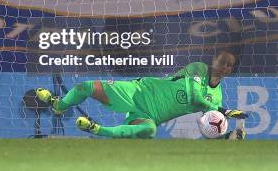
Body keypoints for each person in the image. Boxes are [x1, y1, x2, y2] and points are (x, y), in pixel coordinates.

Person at [36, 49, 247, 139]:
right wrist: (225, 111)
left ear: (231, 69)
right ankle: (59, 105)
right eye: (222, 62)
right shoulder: (199, 68)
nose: (225, 67)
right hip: (139, 91)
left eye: (229, 65)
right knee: (85, 87)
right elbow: (195, 97)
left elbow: (207, 125)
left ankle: (97, 129)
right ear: (214, 61)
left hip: (151, 115)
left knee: (148, 131)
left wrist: (227, 136)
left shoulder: (217, 98)